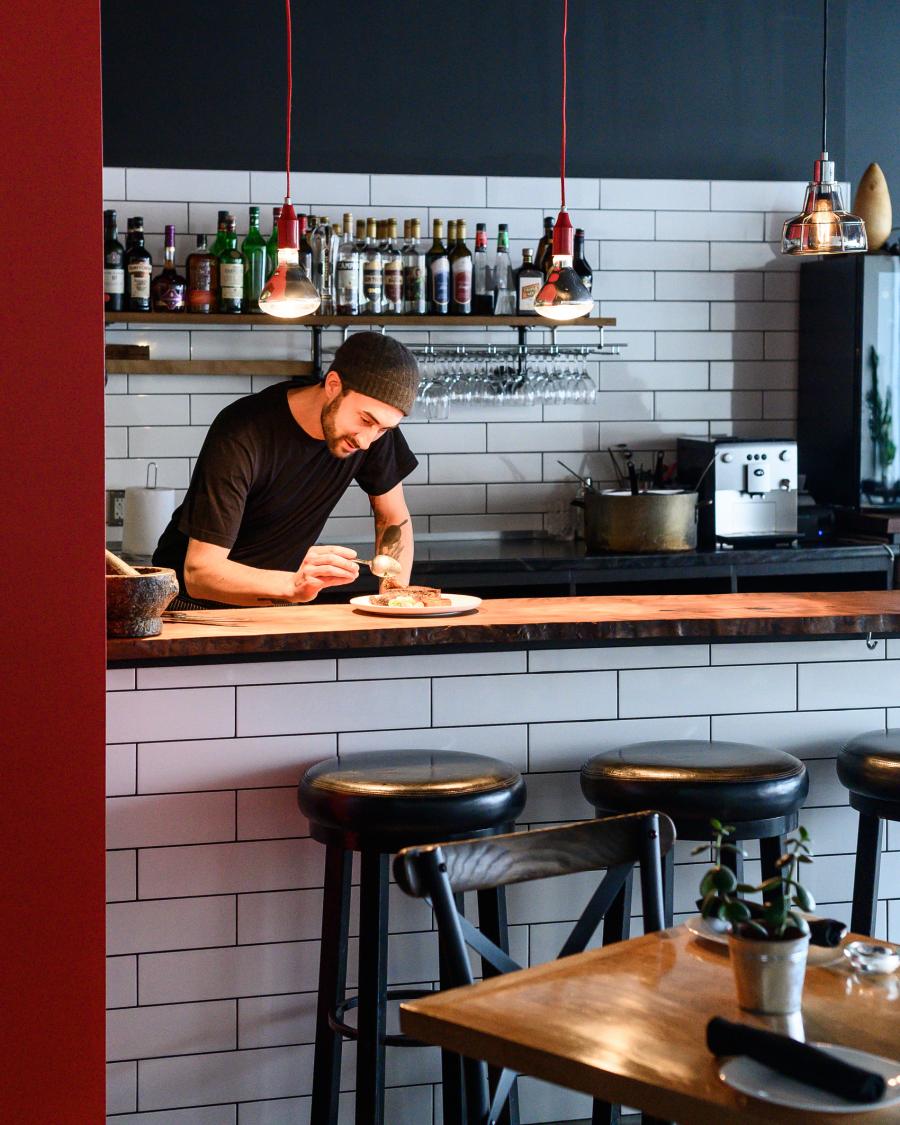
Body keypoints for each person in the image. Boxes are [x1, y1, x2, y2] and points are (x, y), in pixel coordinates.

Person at [153, 332, 420, 607]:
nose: (366, 441)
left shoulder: (374, 431)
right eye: (365, 420)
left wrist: (396, 600)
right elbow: (200, 574)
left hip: (272, 602)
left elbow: (391, 517)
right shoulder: (243, 432)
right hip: (191, 607)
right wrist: (293, 585)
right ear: (333, 385)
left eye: (384, 429)